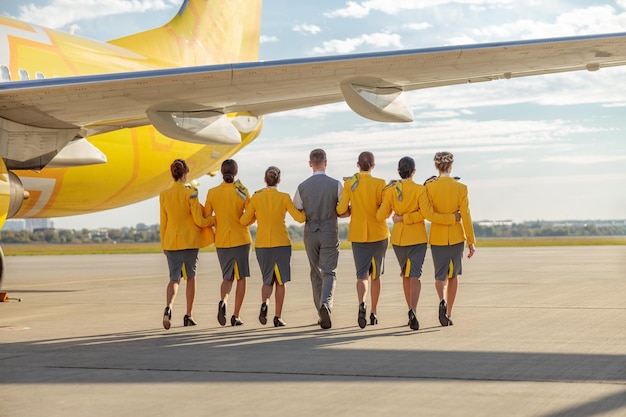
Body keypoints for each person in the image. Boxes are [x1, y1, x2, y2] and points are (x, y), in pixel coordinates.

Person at [378, 156, 458, 331]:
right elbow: (425, 213)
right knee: (415, 275)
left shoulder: (392, 190)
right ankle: (413, 310)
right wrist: (410, 217)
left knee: (405, 275)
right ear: (414, 172)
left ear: (398, 171)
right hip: (418, 239)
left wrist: (398, 215)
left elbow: (380, 215)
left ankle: (410, 311)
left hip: (399, 239)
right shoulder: (420, 190)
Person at [240, 166, 306, 327]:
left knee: (267, 280)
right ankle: (278, 316)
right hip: (281, 243)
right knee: (280, 282)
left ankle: (265, 303)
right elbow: (299, 218)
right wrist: (306, 211)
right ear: (279, 181)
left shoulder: (256, 198)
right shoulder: (284, 197)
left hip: (262, 244)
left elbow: (243, 220)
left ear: (265, 180)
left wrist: (255, 217)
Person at [159, 159, 215, 330]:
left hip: (171, 242)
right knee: (190, 278)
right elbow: (199, 219)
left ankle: (169, 307)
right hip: (189, 241)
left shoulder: (164, 194)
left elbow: (164, 222)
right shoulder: (191, 192)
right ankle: (188, 315)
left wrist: (164, 245)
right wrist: (214, 219)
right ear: (185, 175)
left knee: (174, 279)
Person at [293, 149, 345, 329]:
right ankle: (326, 304)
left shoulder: (302, 186)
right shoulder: (336, 185)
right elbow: (342, 209)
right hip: (329, 231)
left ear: (310, 164)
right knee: (329, 272)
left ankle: (320, 312)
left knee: (315, 272)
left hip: (310, 233)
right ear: (326, 162)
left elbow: (297, 210)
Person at [336, 151, 389, 329]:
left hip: (358, 235)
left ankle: (362, 303)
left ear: (357, 165)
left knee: (362, 276)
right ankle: (374, 311)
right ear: (373, 165)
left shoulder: (350, 183)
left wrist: (351, 209)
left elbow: (341, 208)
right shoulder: (380, 184)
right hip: (379, 234)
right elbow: (385, 209)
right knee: (376, 275)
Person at [426, 151, 476, 326]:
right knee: (453, 276)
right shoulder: (461, 188)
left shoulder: (429, 188)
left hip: (437, 237)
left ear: (436, 166)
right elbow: (466, 216)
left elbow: (428, 214)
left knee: (440, 276)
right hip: (456, 238)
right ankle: (448, 312)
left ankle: (442, 300)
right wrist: (471, 241)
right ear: (451, 166)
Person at [204, 159, 252, 326]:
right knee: (241, 278)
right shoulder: (242, 190)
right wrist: (242, 221)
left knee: (227, 278)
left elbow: (206, 217)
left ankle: (223, 300)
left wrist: (217, 220)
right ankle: (236, 315)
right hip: (241, 239)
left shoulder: (212, 192)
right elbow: (251, 213)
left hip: (222, 241)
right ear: (236, 172)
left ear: (221, 172)